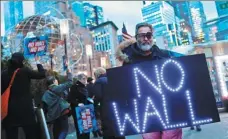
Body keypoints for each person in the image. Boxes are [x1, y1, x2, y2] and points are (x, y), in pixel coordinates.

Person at [116, 22, 184, 139]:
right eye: (142, 35)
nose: (146, 39)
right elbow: (125, 88)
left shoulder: (164, 56)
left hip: (169, 109)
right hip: (146, 113)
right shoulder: (128, 62)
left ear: (152, 36)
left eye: (149, 35)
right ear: (136, 37)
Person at [1, 52, 46, 139]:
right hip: (25, 109)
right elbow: (42, 74)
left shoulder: (4, 74)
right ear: (21, 61)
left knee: (11, 135)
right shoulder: (25, 71)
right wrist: (38, 62)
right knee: (31, 133)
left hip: (9, 110)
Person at [93, 67, 124, 139]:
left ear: (97, 74)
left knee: (108, 128)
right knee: (119, 127)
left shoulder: (98, 82)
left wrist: (95, 101)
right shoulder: (114, 79)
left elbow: (98, 95)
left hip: (106, 108)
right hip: (118, 107)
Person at [42, 69, 73, 139]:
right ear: (53, 81)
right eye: (56, 80)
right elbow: (70, 83)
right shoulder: (57, 88)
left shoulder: (45, 94)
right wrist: (69, 73)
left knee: (56, 131)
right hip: (62, 113)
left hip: (53, 115)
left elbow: (45, 107)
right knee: (64, 130)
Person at [68, 73, 90, 139]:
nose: (85, 80)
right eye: (83, 78)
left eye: (86, 78)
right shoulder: (74, 87)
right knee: (80, 128)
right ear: (79, 79)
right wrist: (78, 104)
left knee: (86, 128)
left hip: (86, 109)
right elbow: (70, 99)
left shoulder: (84, 86)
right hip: (78, 110)